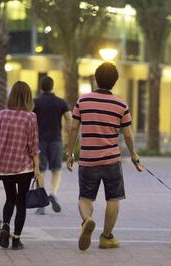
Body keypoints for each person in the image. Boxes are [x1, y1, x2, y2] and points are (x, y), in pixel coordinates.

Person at [66, 62, 142, 251]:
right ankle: (107, 237)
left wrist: (69, 153)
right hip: (111, 160)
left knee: (85, 198)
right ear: (114, 82)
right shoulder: (121, 104)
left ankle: (87, 220)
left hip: (88, 159)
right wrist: (134, 155)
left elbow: (74, 127)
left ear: (95, 79)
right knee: (113, 198)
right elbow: (127, 134)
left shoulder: (82, 101)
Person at [0, 81, 42, 250]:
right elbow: (34, 146)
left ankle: (5, 226)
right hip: (23, 166)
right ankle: (16, 240)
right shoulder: (30, 117)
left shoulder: (2, 114)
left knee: (9, 199)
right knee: (21, 202)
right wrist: (38, 170)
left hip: (5, 165)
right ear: (28, 97)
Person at [33, 76, 71, 215]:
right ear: (52, 86)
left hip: (39, 141)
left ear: (41, 87)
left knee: (40, 170)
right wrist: (69, 139)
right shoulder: (61, 102)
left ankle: (42, 202)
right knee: (56, 169)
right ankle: (53, 194)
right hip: (56, 140)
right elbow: (70, 120)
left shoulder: (35, 102)